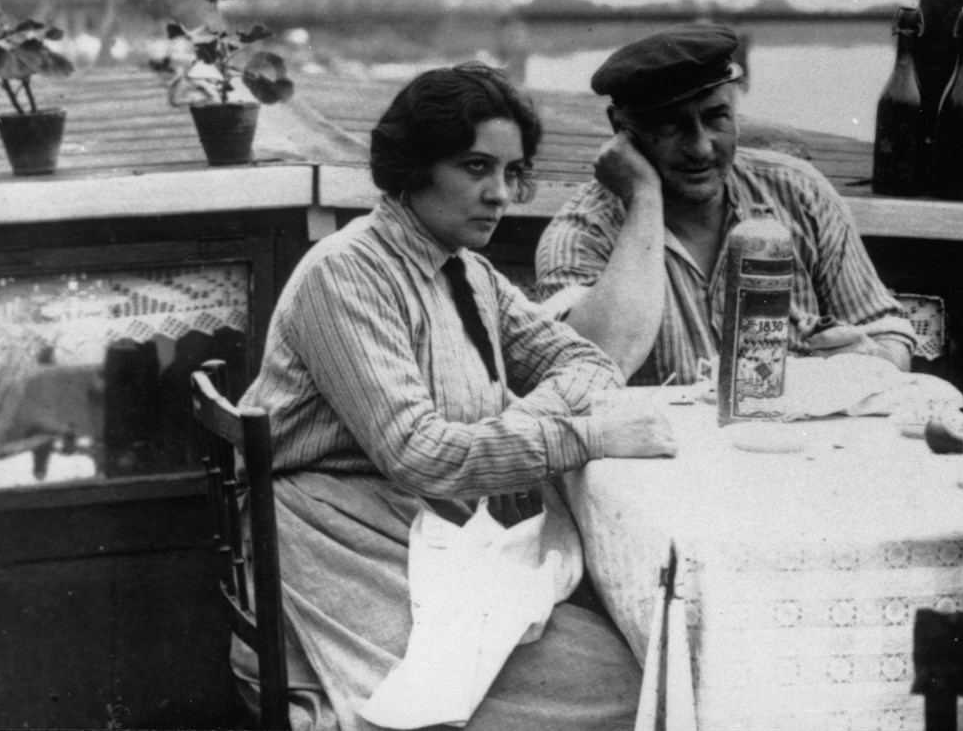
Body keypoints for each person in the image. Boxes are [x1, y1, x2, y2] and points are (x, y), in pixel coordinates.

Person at [238, 62, 677, 731]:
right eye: (476, 166)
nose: (500, 194)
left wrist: (527, 414)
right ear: (414, 166)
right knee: (629, 689)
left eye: (511, 171)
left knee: (636, 664)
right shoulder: (346, 275)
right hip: (339, 543)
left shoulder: (467, 271)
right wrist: (581, 438)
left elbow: (587, 361)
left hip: (429, 526)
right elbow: (419, 453)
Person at [534, 24, 915, 384]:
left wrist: (873, 358)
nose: (700, 147)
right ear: (620, 129)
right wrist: (644, 199)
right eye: (670, 126)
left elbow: (887, 332)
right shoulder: (580, 235)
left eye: (716, 118)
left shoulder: (801, 193)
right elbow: (594, 366)